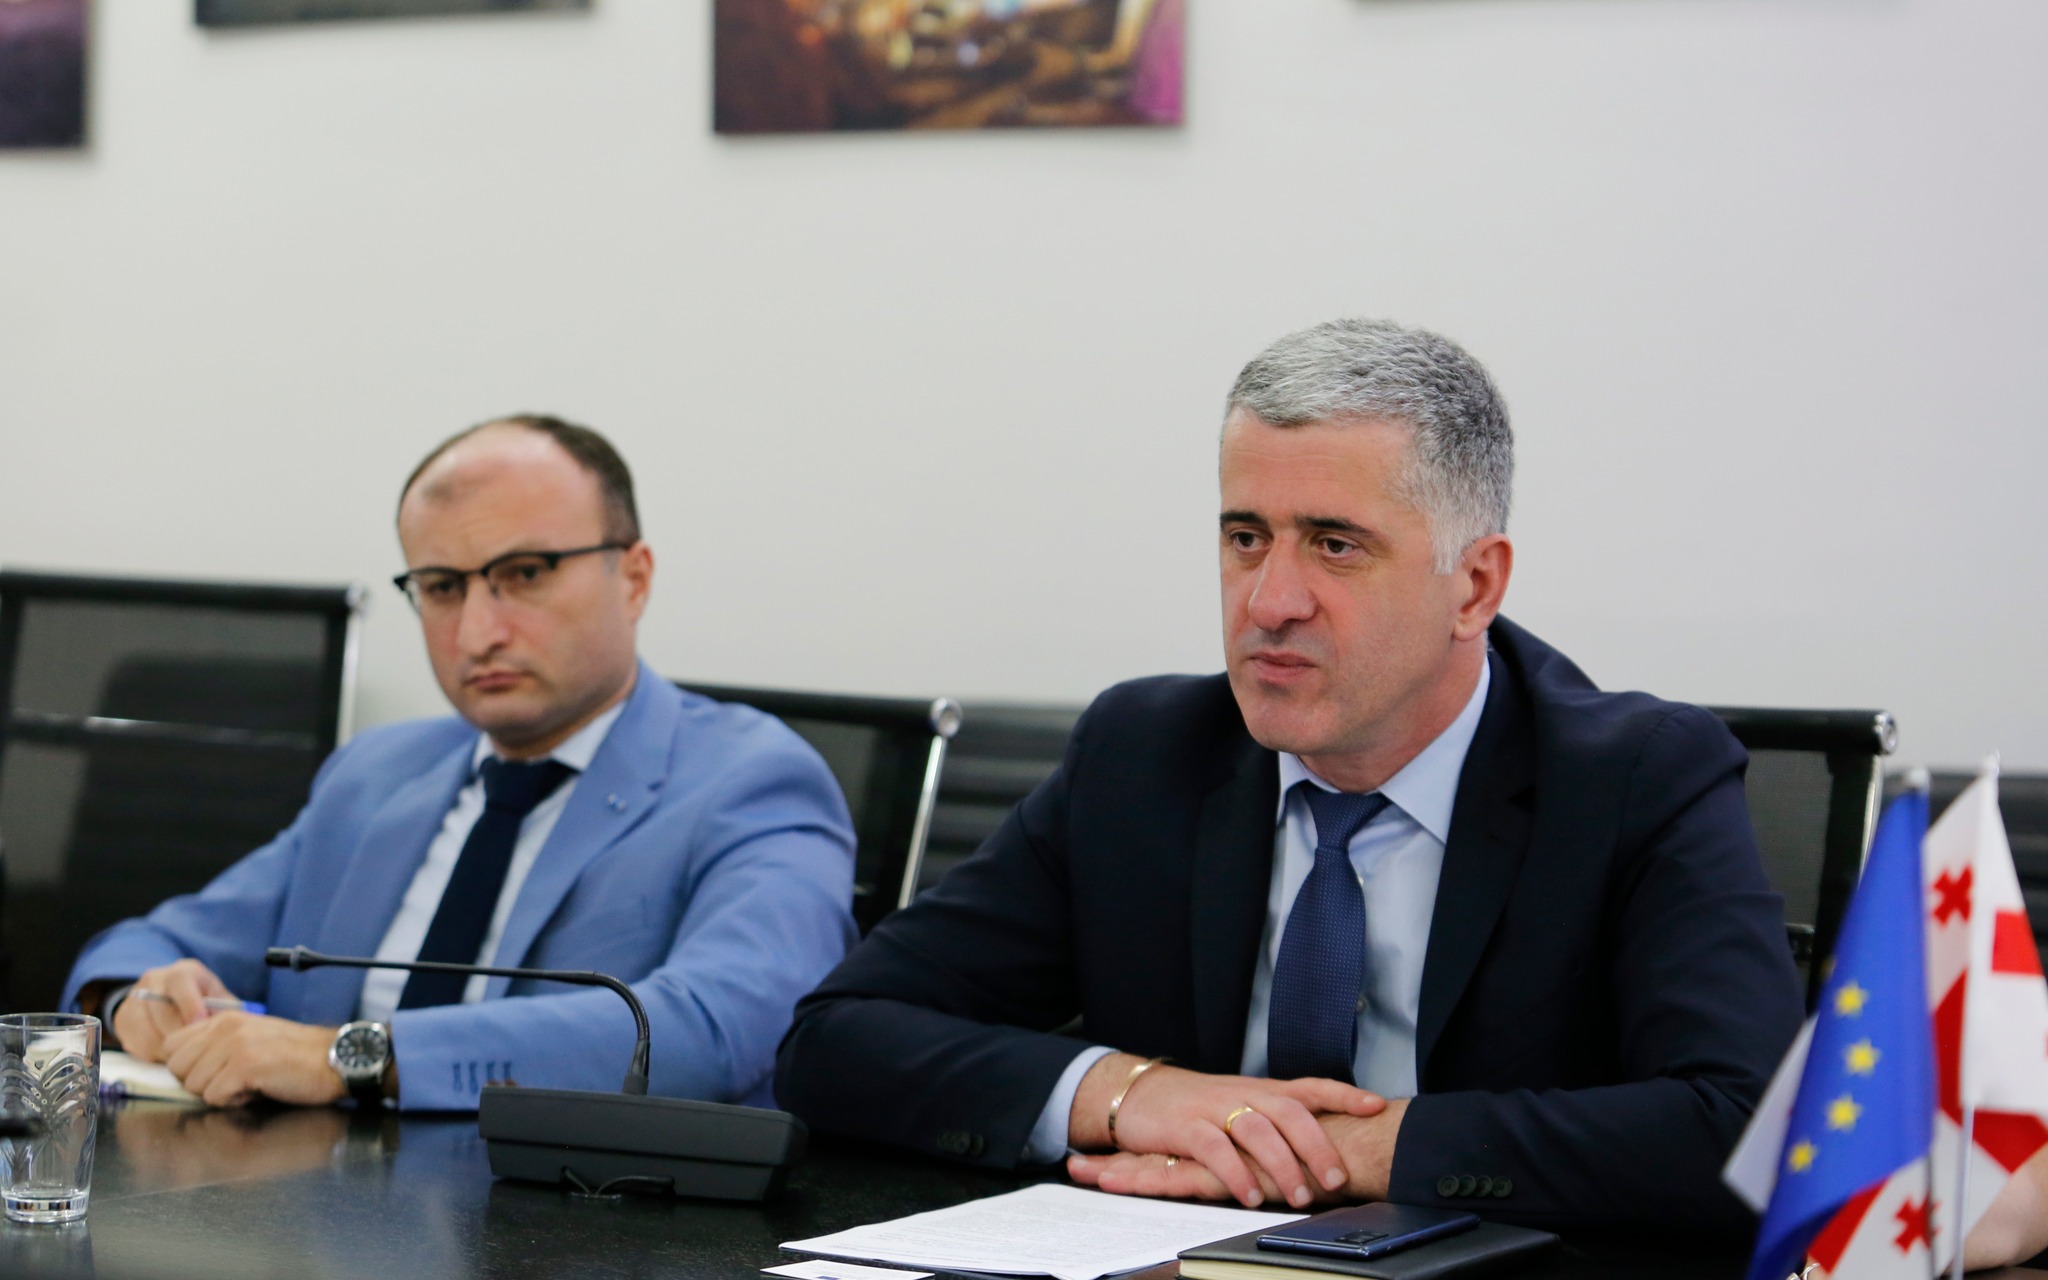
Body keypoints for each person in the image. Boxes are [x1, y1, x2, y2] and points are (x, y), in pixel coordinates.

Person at [775, 319, 1806, 1234]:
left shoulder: (1634, 779)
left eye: (1334, 545)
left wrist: (1340, 1148)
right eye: (1245, 537)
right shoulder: (1143, 753)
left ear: (1474, 584)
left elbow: (1750, 1127)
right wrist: (1135, 1094)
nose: (1269, 601)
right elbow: (836, 1040)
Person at [64, 415, 858, 1111]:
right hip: (301, 1203)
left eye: (526, 574)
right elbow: (141, 946)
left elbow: (715, 1030)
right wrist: (140, 1000)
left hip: (559, 1215)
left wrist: (352, 1059)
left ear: (635, 578)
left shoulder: (754, 782)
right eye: (443, 587)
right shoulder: (376, 774)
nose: (478, 633)